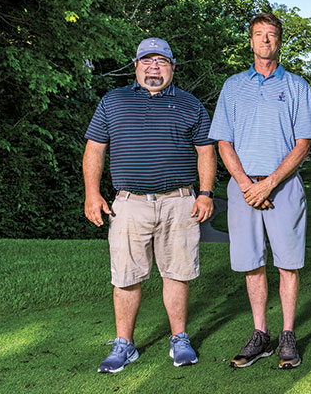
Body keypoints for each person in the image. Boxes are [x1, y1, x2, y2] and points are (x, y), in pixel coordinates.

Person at [83, 37, 216, 372]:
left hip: (178, 203)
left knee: (178, 273)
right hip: (129, 204)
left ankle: (179, 338)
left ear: (172, 66)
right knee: (126, 275)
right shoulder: (113, 102)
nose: (154, 67)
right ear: (136, 64)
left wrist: (205, 192)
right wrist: (92, 193)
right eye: (147, 61)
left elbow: (206, 152)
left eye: (162, 61)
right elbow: (95, 149)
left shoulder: (190, 104)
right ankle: (124, 344)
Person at [209, 13, 311, 370]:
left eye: (271, 35)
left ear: (280, 41)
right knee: (251, 263)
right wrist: (245, 184)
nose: (265, 41)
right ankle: (261, 334)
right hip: (243, 188)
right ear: (251, 41)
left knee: (288, 263)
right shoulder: (232, 86)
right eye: (259, 35)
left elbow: (303, 142)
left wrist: (269, 183)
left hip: (283, 188)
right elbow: (223, 141)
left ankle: (287, 335)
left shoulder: (298, 87)